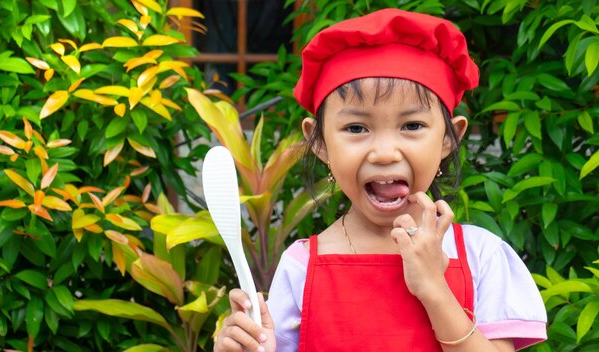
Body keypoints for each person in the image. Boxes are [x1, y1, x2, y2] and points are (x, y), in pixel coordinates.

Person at [213, 8, 547, 352]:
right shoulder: (301, 268)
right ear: (321, 142)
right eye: (356, 128)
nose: (385, 152)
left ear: (450, 138)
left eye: (412, 126)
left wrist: (434, 287)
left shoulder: (481, 256)